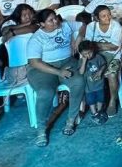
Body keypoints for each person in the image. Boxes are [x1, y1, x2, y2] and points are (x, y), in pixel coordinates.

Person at [26, 9, 84, 146]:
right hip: (43, 68)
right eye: (50, 20)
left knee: (79, 81)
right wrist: (58, 72)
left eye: (55, 18)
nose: (55, 21)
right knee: (45, 92)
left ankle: (71, 120)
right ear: (42, 24)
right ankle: (41, 129)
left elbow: (83, 25)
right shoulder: (36, 38)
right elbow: (34, 62)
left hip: (67, 62)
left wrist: (79, 38)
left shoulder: (65, 25)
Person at [79, 5, 122, 117]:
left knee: (112, 74)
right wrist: (104, 45)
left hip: (114, 55)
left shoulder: (116, 26)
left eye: (109, 14)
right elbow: (87, 46)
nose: (108, 18)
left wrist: (94, 45)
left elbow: (114, 47)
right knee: (85, 72)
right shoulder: (91, 26)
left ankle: (112, 101)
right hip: (95, 55)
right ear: (96, 18)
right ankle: (86, 103)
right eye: (103, 16)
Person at [77, 39, 109, 124]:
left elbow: (104, 65)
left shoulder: (98, 57)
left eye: (89, 52)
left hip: (99, 84)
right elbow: (81, 72)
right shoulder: (81, 61)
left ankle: (99, 111)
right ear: (81, 54)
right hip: (89, 87)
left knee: (100, 98)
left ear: (93, 50)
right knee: (91, 101)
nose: (88, 55)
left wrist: (100, 71)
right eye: (85, 54)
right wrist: (84, 61)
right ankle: (94, 113)